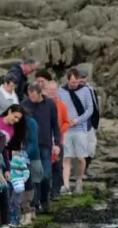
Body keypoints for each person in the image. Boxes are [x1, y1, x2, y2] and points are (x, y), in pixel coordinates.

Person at [21, 82, 60, 215]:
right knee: (32, 176)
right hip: (30, 145)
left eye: (34, 96)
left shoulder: (50, 104)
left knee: (46, 175)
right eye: (29, 96)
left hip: (45, 145)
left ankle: (45, 201)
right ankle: (35, 203)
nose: (31, 99)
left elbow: (55, 125)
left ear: (39, 93)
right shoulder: (24, 105)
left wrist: (57, 143)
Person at [60, 68, 97, 193]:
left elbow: (90, 110)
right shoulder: (61, 91)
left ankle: (79, 181)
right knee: (66, 157)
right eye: (72, 83)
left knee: (81, 158)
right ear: (68, 80)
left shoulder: (86, 90)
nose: (74, 85)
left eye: (76, 83)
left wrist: (78, 120)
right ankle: (66, 185)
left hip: (80, 128)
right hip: (66, 129)